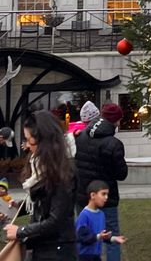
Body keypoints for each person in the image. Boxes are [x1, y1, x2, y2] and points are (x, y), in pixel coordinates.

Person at [2, 110, 76, 260]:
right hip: (43, 247)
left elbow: (56, 219)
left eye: (30, 141)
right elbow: (42, 203)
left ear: (44, 140)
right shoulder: (41, 166)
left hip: (57, 250)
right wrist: (19, 206)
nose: (27, 146)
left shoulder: (63, 172)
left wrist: (20, 230)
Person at [75, 103, 128, 261]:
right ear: (115, 121)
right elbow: (121, 174)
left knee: (84, 235)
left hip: (83, 196)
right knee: (112, 238)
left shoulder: (81, 137)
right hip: (106, 198)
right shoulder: (114, 144)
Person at [76, 180, 126, 261]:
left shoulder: (101, 214)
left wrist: (113, 238)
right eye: (103, 194)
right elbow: (82, 237)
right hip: (84, 256)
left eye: (107, 194)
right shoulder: (84, 216)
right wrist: (99, 236)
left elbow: (102, 235)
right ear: (92, 195)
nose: (106, 197)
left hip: (96, 256)